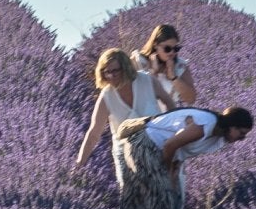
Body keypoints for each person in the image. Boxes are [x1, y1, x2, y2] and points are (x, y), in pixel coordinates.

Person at [115, 104, 254, 209]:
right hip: (144, 144)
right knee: (163, 199)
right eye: (241, 134)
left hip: (163, 152)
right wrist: (166, 174)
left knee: (176, 200)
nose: (241, 139)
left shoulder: (218, 139)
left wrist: (174, 171)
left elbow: (182, 151)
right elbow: (170, 145)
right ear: (232, 125)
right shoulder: (205, 126)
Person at [72, 48, 177, 187]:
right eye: (106, 72)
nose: (111, 76)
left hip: (156, 147)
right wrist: (80, 164)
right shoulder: (106, 96)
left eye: (115, 71)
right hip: (126, 154)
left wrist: (173, 130)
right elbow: (94, 133)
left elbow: (168, 101)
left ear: (126, 68)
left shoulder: (147, 81)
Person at [131, 23, 198, 107]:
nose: (172, 53)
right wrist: (153, 72)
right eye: (167, 49)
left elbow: (191, 99)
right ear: (155, 45)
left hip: (170, 116)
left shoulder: (180, 66)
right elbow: (135, 95)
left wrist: (173, 77)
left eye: (176, 49)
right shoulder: (138, 61)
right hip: (144, 116)